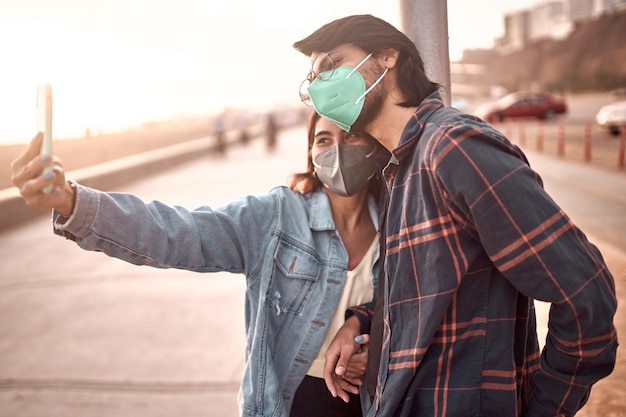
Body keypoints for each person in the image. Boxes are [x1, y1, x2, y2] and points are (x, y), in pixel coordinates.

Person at [293, 14, 618, 417]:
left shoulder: (452, 147)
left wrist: (546, 407)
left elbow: (586, 292)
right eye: (316, 77)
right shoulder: (398, 168)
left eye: (333, 64)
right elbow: (417, 289)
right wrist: (360, 320)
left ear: (388, 56)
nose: (323, 84)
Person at [10, 111, 387, 417]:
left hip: (377, 403)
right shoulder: (276, 217)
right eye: (324, 139)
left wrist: (365, 331)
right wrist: (71, 200)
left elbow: (414, 306)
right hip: (292, 404)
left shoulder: (398, 224)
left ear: (373, 145)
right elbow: (177, 232)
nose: (337, 149)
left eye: (351, 135)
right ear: (311, 154)